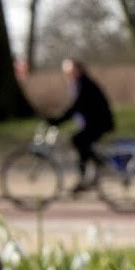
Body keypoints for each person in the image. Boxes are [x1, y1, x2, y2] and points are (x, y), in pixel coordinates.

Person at [48, 58, 115, 193]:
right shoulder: (79, 83)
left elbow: (75, 106)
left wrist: (57, 121)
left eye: (69, 70)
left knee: (78, 140)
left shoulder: (83, 84)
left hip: (99, 123)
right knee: (80, 142)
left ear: (78, 70)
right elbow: (75, 107)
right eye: (65, 71)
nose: (67, 73)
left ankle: (88, 174)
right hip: (93, 123)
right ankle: (93, 170)